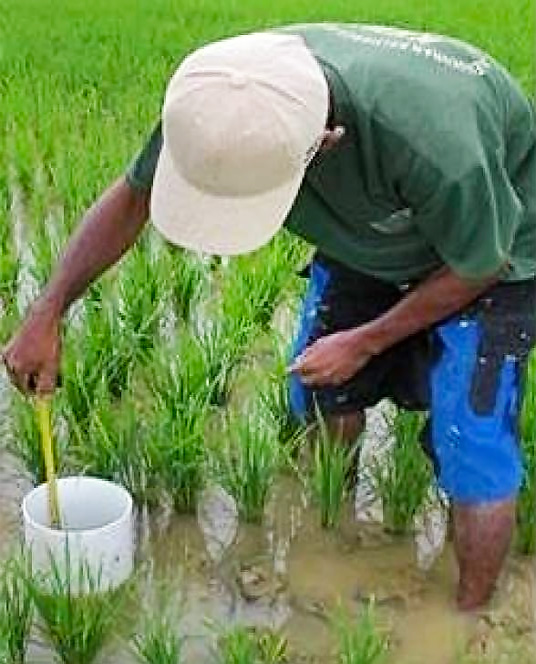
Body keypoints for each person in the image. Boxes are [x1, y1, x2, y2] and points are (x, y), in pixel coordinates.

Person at [2, 24, 535, 611]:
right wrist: (47, 308)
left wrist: (365, 341)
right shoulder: (223, 107)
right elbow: (133, 195)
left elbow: (480, 263)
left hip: (493, 250)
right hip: (372, 231)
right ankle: (335, 532)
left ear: (325, 143)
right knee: (318, 387)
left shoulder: (436, 143)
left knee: (473, 441)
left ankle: (468, 620)